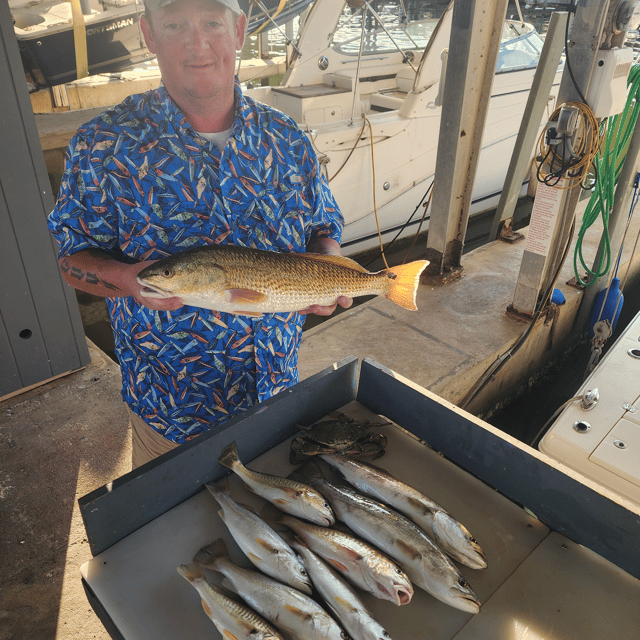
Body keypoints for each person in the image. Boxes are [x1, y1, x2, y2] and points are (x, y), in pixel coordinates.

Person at [47, 0, 351, 467]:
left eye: (212, 22)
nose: (197, 42)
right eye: (175, 25)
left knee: (268, 529)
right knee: (177, 534)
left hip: (278, 395)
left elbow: (322, 228)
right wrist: (129, 280)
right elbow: (71, 260)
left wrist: (329, 274)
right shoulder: (103, 145)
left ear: (239, 30)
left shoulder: (288, 138)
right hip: (169, 416)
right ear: (149, 35)